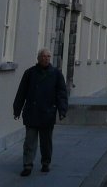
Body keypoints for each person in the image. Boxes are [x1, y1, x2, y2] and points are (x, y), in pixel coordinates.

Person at [13, 48, 68, 176]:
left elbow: (61, 93)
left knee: (46, 142)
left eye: (48, 56)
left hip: (47, 112)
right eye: (43, 56)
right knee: (29, 141)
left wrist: (62, 110)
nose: (46, 58)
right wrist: (17, 109)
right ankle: (27, 164)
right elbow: (21, 93)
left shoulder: (56, 74)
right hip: (32, 112)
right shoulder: (29, 73)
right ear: (38, 58)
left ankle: (45, 162)